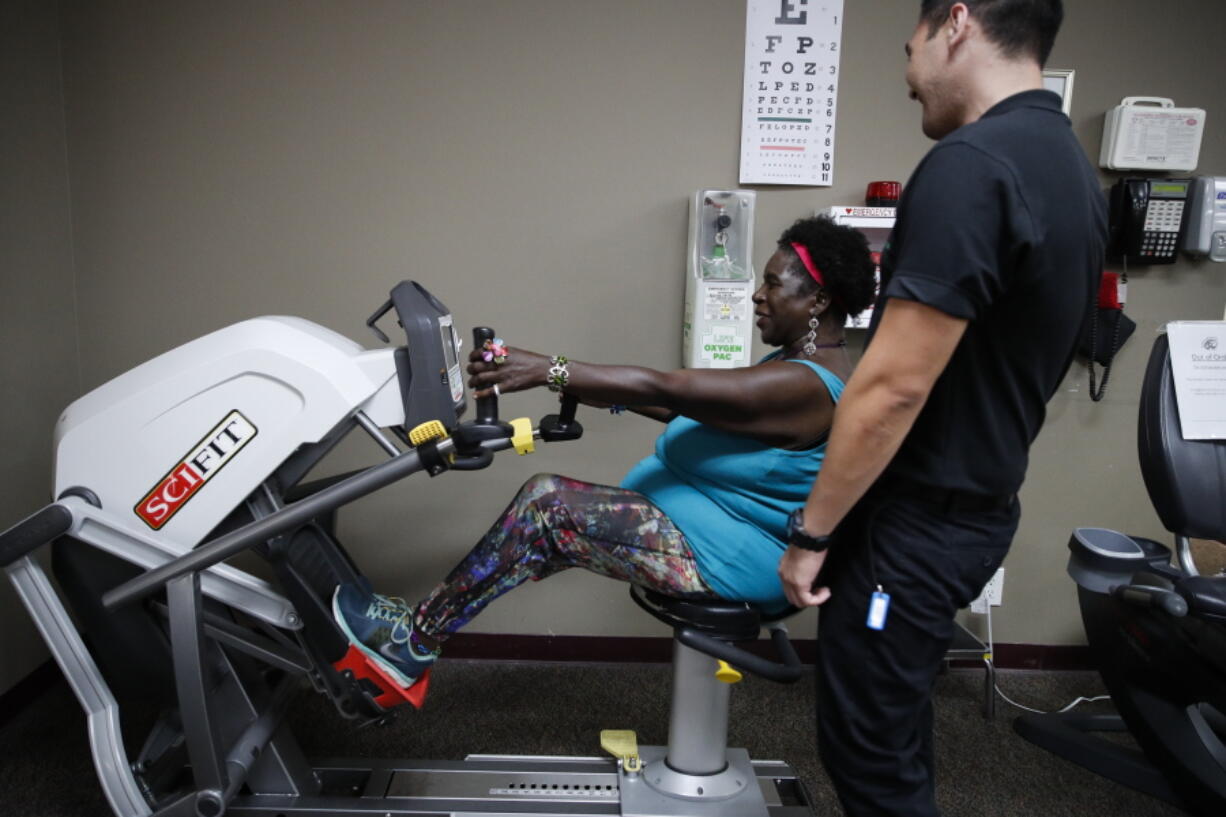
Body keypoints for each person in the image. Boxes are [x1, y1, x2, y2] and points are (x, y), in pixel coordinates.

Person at [776, 3, 1107, 816]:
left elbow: (893, 386)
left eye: (910, 45)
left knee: (868, 751)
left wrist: (811, 535)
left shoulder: (973, 163)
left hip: (915, 529)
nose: (907, 72)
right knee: (895, 728)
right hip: (972, 513)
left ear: (956, 22)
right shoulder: (1067, 166)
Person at [330, 215, 875, 689]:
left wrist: (551, 368)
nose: (758, 294)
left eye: (773, 284)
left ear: (819, 301)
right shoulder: (788, 365)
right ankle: (421, 629)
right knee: (541, 527)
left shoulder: (806, 386)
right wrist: (582, 388)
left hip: (734, 561)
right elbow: (690, 410)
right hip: (709, 538)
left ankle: (411, 643)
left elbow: (670, 389)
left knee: (548, 505)